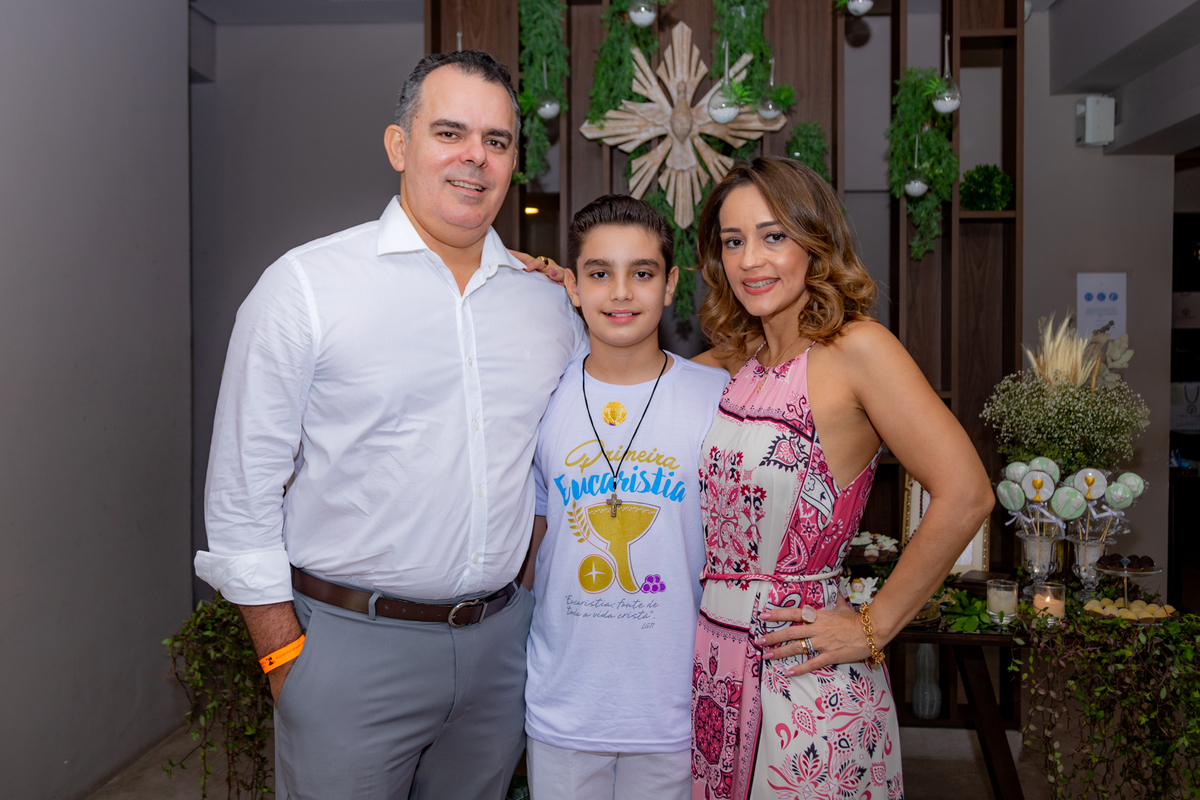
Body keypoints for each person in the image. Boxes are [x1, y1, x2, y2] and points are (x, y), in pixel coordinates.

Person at [193, 50, 586, 800]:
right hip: (347, 652)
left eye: (497, 140)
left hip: (502, 650)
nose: (475, 156)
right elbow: (241, 492)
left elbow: (562, 467)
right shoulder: (306, 288)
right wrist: (283, 659)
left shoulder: (549, 307)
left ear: (513, 163)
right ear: (399, 145)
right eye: (450, 132)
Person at [689, 157, 994, 800]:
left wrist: (874, 625)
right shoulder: (736, 359)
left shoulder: (857, 348)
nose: (750, 260)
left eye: (773, 236)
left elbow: (967, 493)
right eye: (733, 241)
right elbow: (627, 373)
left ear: (815, 241)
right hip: (715, 670)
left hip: (807, 676)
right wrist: (558, 288)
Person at [520, 195, 729, 799]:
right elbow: (536, 539)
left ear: (670, 285)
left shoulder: (717, 396)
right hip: (563, 702)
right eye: (599, 273)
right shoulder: (541, 395)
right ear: (573, 286)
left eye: (641, 273)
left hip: (674, 706)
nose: (620, 292)